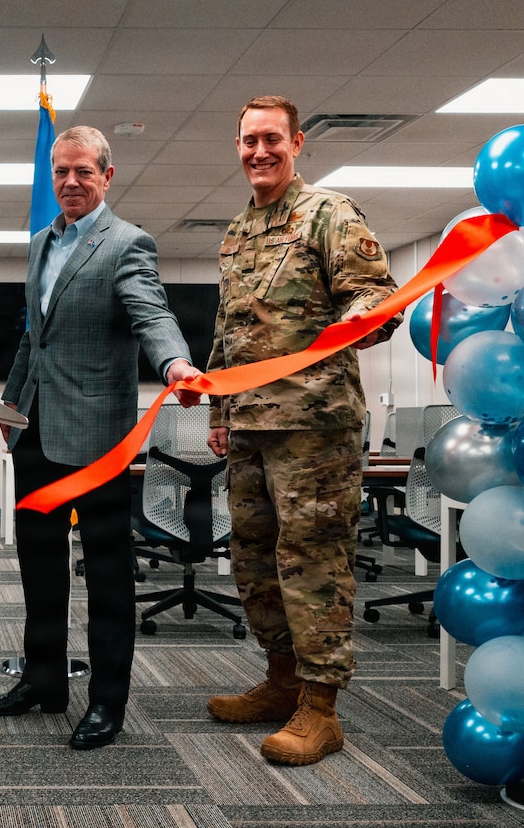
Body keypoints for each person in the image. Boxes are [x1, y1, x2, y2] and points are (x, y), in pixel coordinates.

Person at [0, 126, 202, 750]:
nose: (70, 183)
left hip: (100, 439)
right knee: (38, 568)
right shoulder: (40, 244)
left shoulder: (127, 244)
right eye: (60, 172)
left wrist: (175, 364)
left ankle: (107, 703)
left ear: (106, 175)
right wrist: (13, 397)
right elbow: (34, 334)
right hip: (36, 434)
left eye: (83, 172)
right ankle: (43, 681)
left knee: (107, 578)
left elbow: (151, 314)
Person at [204, 95, 401, 766]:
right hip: (251, 426)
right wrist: (217, 410)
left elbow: (375, 295)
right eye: (248, 140)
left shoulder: (329, 213)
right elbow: (228, 330)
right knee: (255, 558)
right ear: (236, 147)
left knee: (312, 561)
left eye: (271, 139)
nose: (259, 151)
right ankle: (281, 678)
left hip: (314, 427)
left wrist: (361, 319)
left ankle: (321, 708)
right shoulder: (236, 232)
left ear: (297, 142)